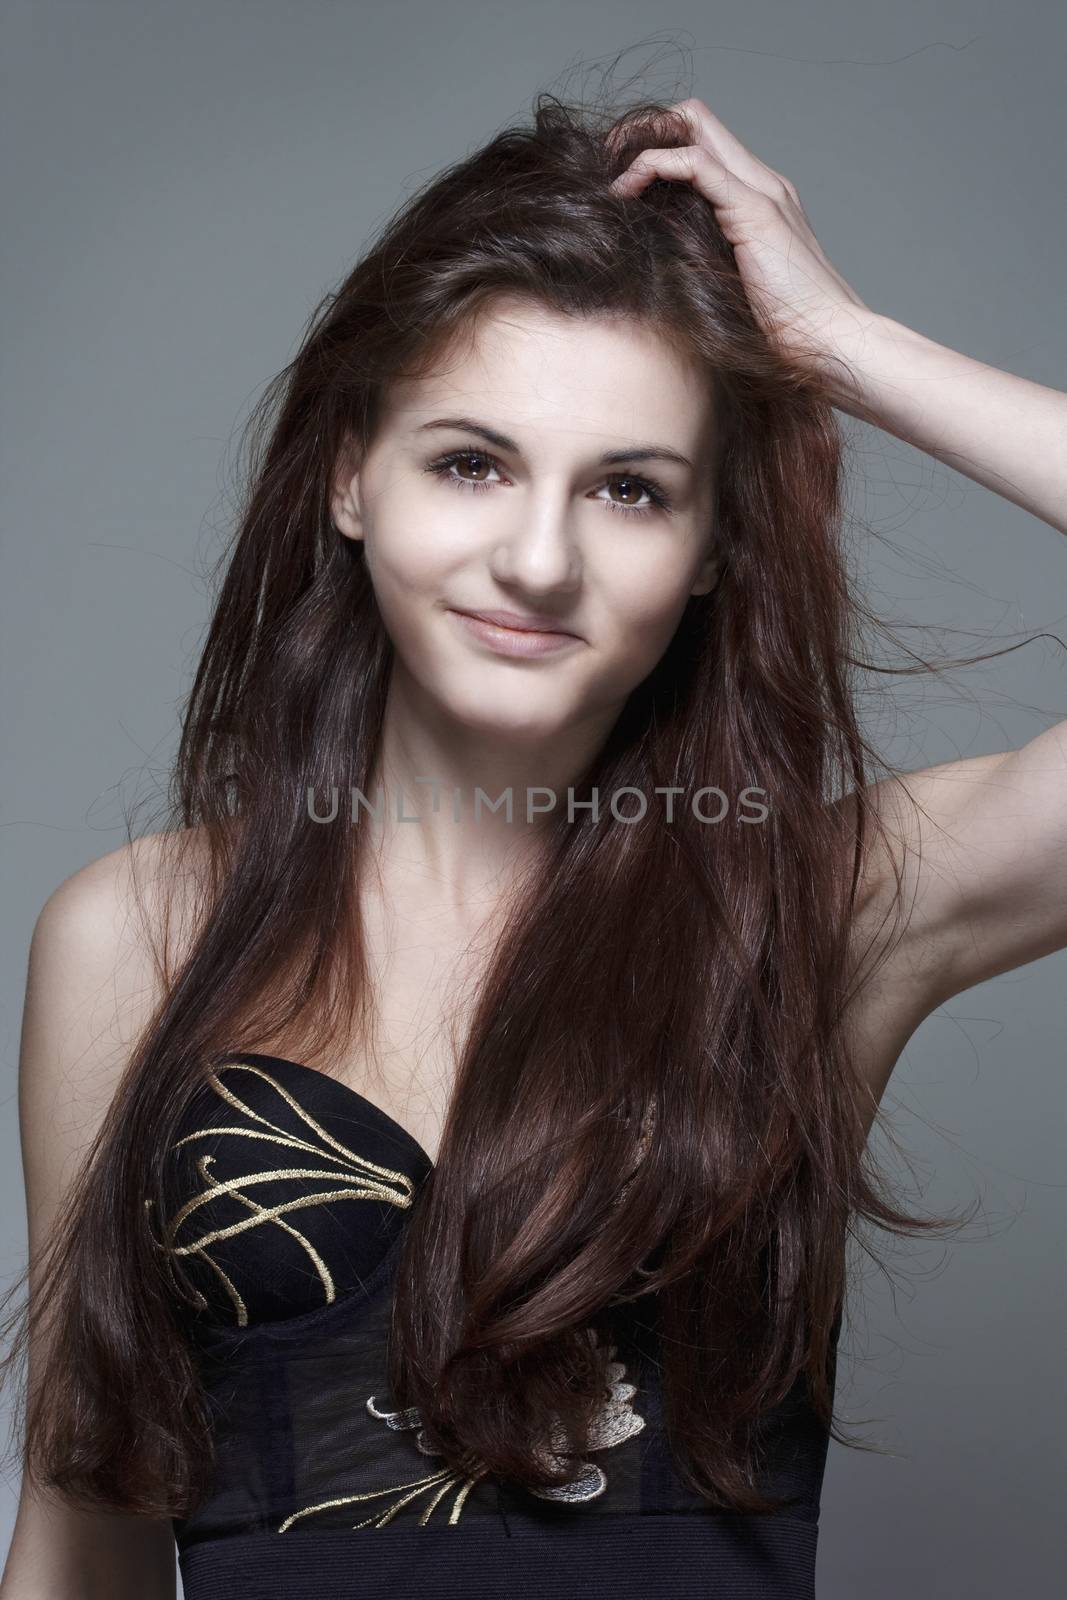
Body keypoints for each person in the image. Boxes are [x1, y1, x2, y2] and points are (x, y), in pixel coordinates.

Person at [2, 89, 1065, 1600]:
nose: (541, 558)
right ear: (348, 475)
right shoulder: (136, 937)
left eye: (633, 489)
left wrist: (844, 349)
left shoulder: (822, 912)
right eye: (472, 464)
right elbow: (81, 1533)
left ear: (712, 552)